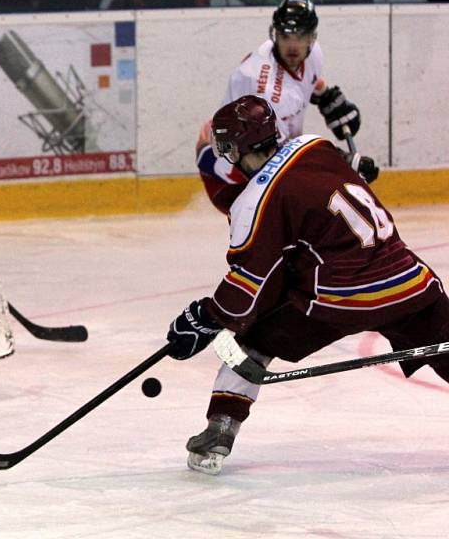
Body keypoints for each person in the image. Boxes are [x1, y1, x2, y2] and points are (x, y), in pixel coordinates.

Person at [166, 95, 449, 475]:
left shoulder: (256, 200)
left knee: (247, 347)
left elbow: (245, 292)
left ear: (236, 148)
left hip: (340, 299)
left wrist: (205, 317)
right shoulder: (314, 144)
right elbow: (346, 173)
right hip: (407, 280)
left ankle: (220, 428)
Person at [195, 0, 376, 215]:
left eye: (301, 36)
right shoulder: (264, 89)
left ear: (312, 38)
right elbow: (280, 159)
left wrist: (326, 96)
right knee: (303, 210)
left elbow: (305, 83)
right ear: (275, 35)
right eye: (285, 36)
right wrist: (343, 161)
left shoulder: (313, 55)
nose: (292, 45)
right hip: (231, 176)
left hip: (265, 156)